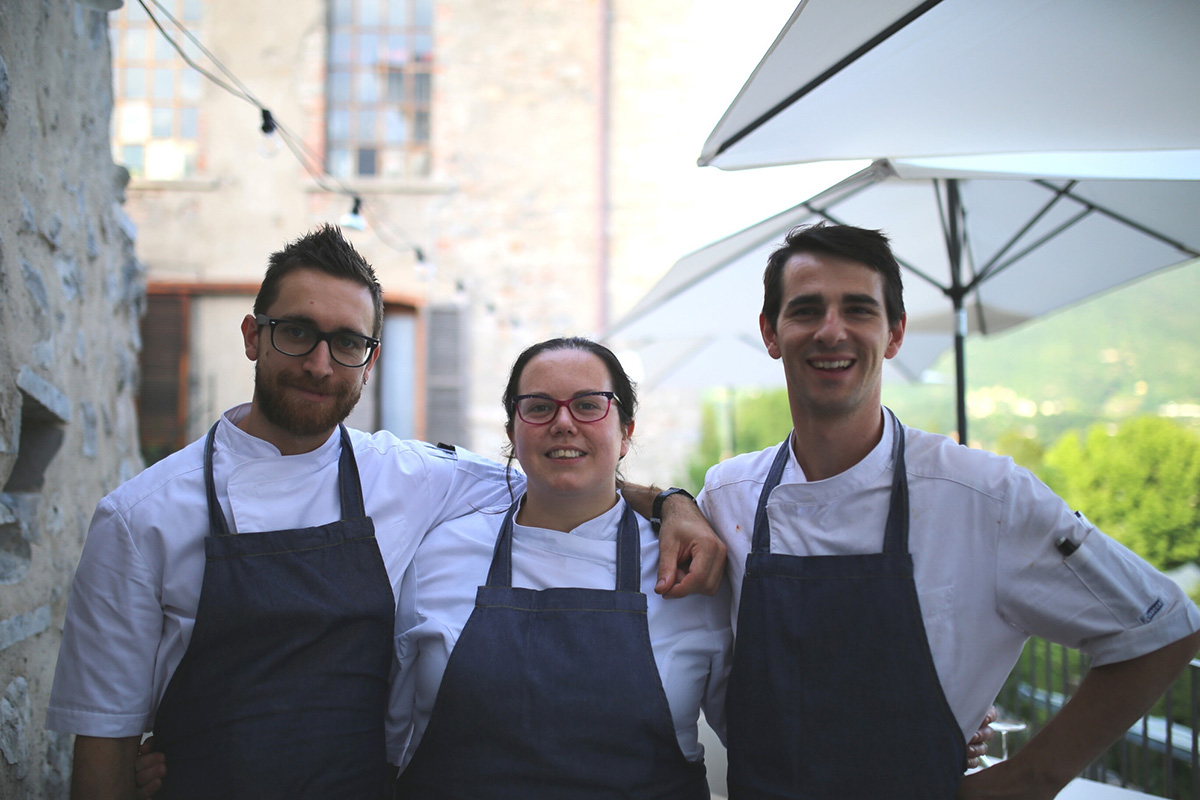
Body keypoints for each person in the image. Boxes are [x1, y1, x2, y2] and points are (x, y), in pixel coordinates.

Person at [47, 226, 723, 800]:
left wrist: (671, 503)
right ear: (253, 336)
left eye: (347, 343)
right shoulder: (139, 519)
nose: (319, 363)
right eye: (297, 333)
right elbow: (101, 742)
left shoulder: (411, 475)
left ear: (370, 360)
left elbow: (563, 471)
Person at [697, 222, 1200, 800]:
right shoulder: (726, 494)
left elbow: (1160, 628)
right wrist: (670, 503)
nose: (831, 330)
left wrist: (1029, 779)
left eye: (858, 310)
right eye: (807, 310)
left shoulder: (983, 495)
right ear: (770, 332)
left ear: (894, 333)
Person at [388, 337, 733, 798]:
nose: (563, 423)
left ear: (626, 432)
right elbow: (390, 740)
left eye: (589, 405)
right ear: (513, 431)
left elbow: (752, 741)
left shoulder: (686, 570)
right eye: (538, 407)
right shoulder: (436, 555)